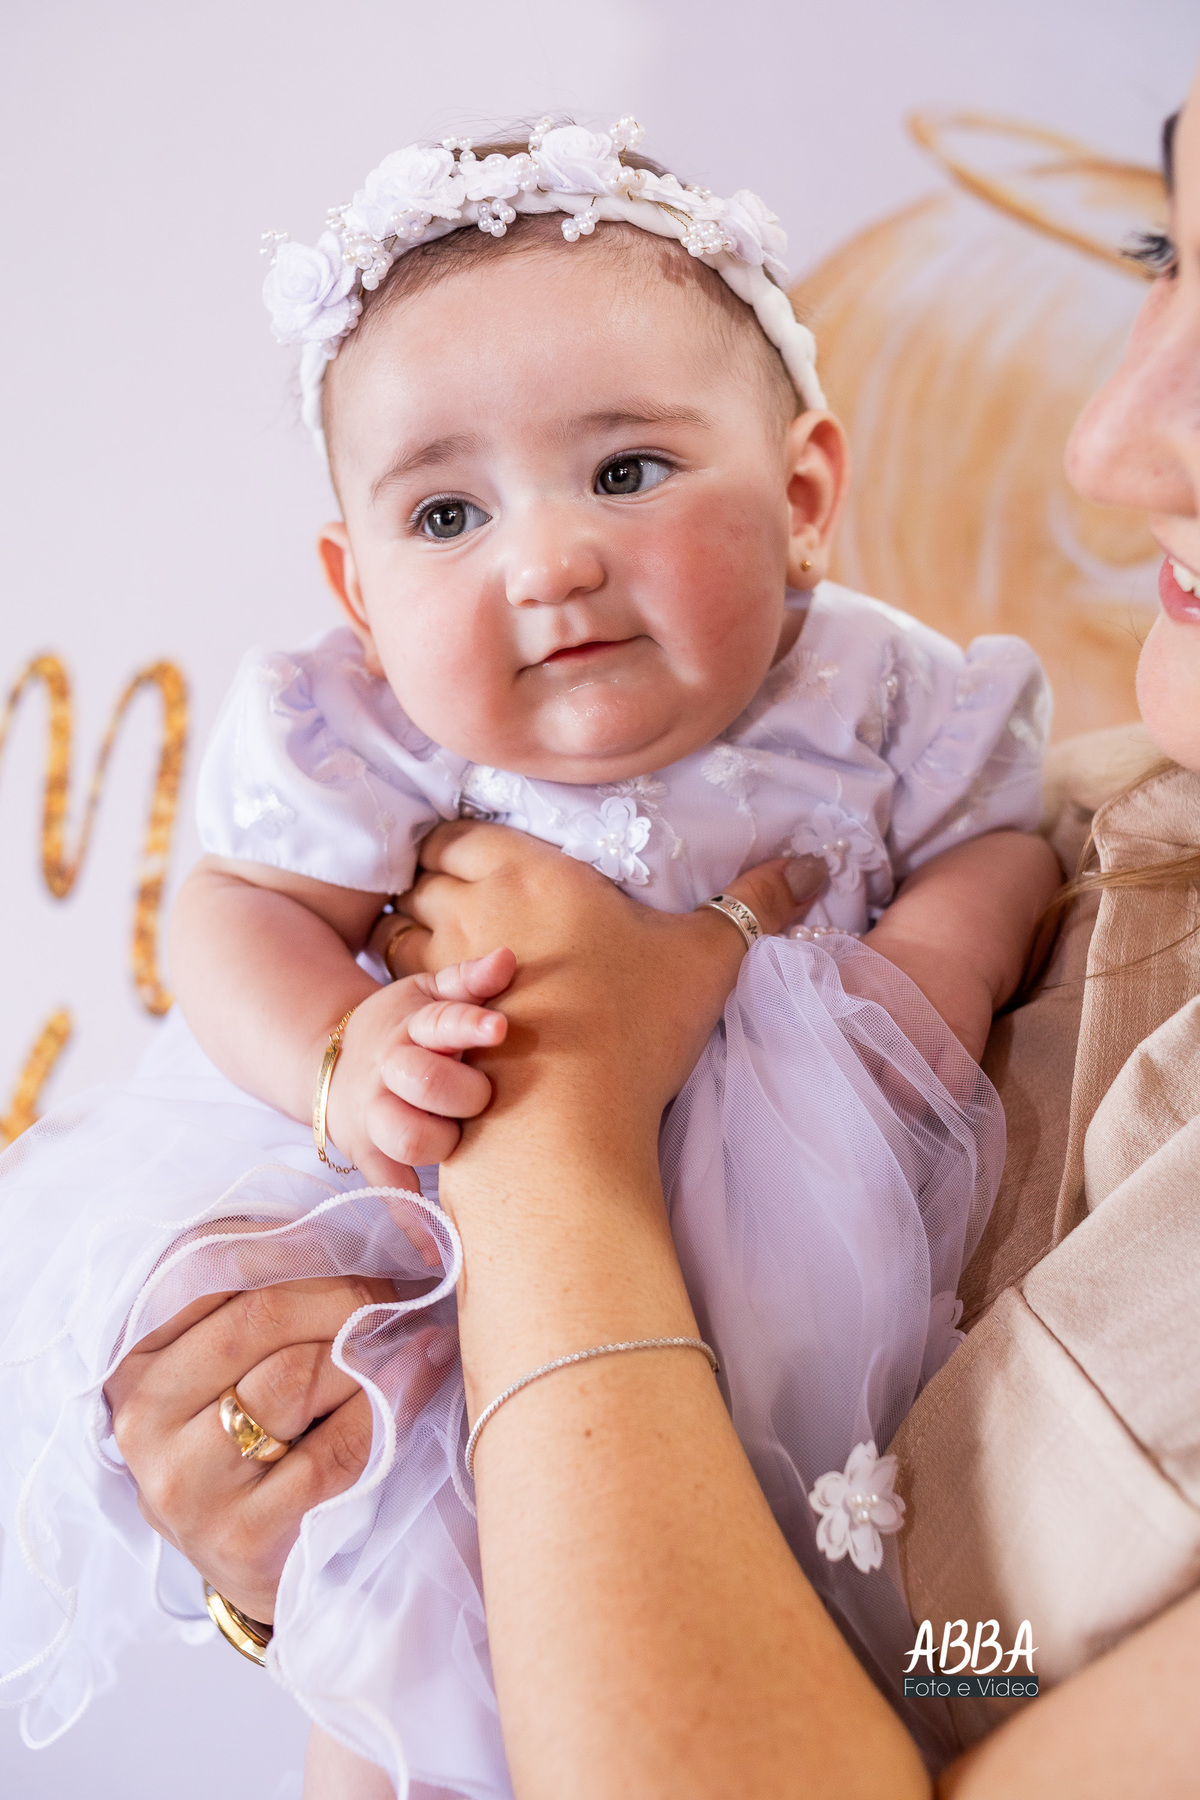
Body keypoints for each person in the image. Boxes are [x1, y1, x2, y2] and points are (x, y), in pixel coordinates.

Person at [101, 68, 1200, 1800]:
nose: (548, 562)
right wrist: (340, 1051)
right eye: (446, 516)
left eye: (625, 471)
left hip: (794, 1319)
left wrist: (924, 979)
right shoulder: (360, 735)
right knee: (411, 1647)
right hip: (442, 1274)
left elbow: (981, 847)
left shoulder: (885, 690)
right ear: (359, 593)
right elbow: (235, 912)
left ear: (805, 493)